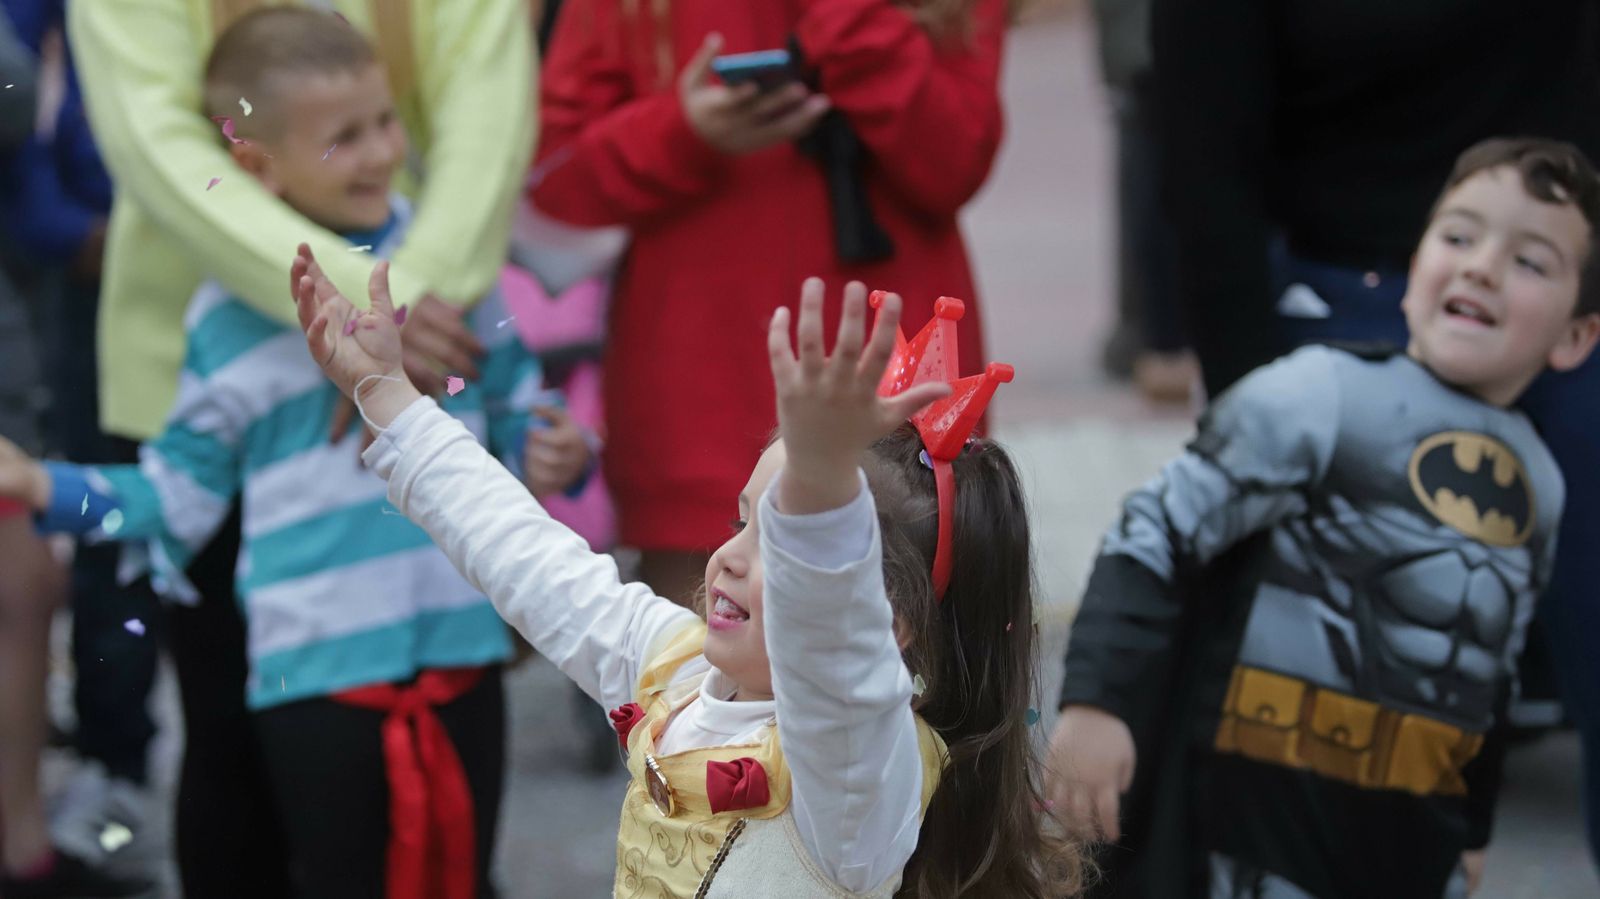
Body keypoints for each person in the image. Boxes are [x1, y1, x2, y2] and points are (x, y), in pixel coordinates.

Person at [0, 10, 589, 896]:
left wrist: (558, 453)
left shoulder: (448, 286)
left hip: (463, 662)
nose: (381, 152)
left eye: (386, 121)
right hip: (314, 684)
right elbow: (173, 501)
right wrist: (46, 487)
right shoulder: (225, 329)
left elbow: (521, 416)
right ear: (255, 165)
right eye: (342, 137)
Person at [288, 250, 1087, 895]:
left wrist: (817, 485)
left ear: (886, 622)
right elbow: (526, 557)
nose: (732, 554)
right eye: (742, 519)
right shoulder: (673, 667)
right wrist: (388, 395)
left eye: (781, 540)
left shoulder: (860, 779)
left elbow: (836, 658)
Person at [1048, 137, 1600, 898]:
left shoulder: (1543, 481)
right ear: (1411, 276)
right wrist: (1096, 701)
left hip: (1403, 855)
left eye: (1531, 261)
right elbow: (1157, 531)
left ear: (1577, 336)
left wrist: (1472, 831)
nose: (1482, 265)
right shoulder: (1318, 394)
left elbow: (1490, 671)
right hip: (1244, 838)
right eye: (1459, 236)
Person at [534, 0, 1006, 607]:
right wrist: (681, 133)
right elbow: (555, 178)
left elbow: (955, 158)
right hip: (700, 407)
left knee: (910, 678)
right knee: (690, 684)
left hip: (896, 403)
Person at [0, 0, 164, 869]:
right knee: (83, 554)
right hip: (81, 284)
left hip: (207, 272)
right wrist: (76, 238)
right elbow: (19, 118)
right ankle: (111, 767)